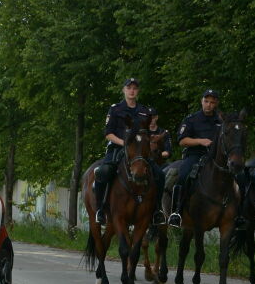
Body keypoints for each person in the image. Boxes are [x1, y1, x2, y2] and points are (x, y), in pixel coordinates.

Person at [94, 78, 166, 226]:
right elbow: (108, 133)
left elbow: (146, 133)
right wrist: (125, 144)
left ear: (138, 91)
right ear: (124, 90)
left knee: (159, 174)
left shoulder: (145, 111)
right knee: (103, 172)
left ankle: (157, 211)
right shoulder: (115, 109)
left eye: (135, 88)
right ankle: (100, 209)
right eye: (129, 88)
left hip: (140, 151)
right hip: (117, 147)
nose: (132, 90)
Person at [167, 89, 222, 228]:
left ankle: (239, 214)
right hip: (195, 154)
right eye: (206, 101)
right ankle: (176, 212)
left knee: (238, 175)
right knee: (183, 175)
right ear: (201, 101)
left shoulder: (221, 121)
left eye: (212, 102)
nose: (209, 105)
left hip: (216, 157)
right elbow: (182, 141)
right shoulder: (191, 119)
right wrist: (200, 141)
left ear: (216, 103)